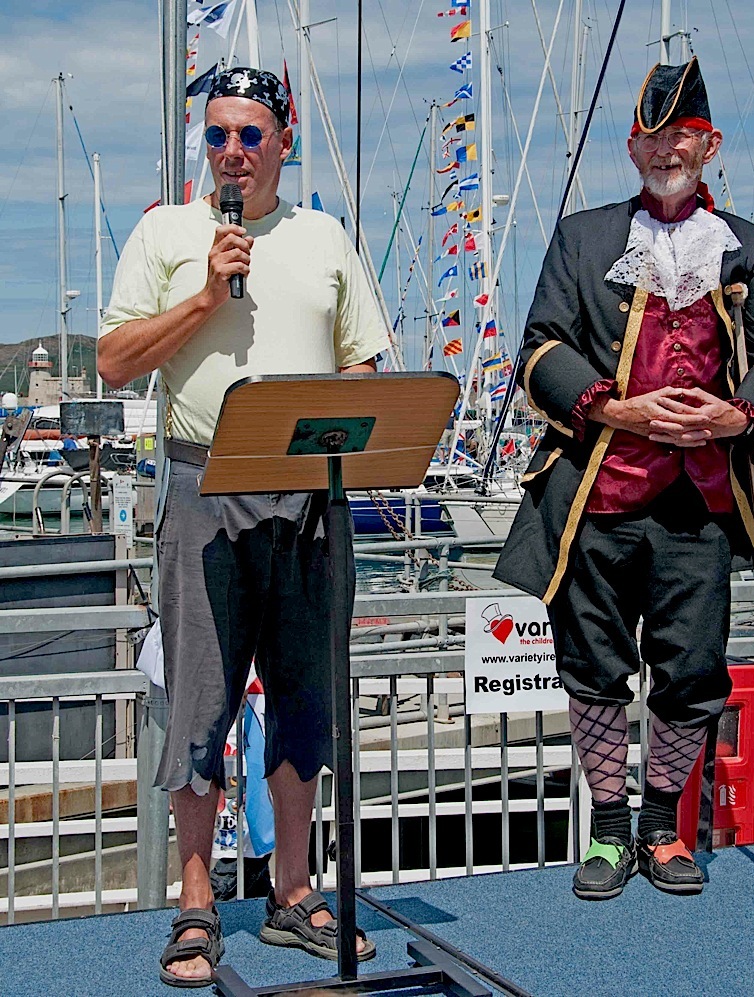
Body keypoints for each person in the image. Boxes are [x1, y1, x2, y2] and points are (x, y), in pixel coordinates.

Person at [99, 67, 389, 986]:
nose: (232, 150)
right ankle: (196, 901)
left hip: (310, 491)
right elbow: (111, 360)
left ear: (284, 141)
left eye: (250, 134)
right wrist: (201, 297)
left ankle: (293, 891)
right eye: (217, 134)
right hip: (202, 486)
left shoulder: (324, 237)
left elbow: (367, 366)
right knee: (199, 703)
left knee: (305, 695)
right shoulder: (165, 233)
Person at [494, 58, 754, 901]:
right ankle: (606, 828)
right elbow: (538, 353)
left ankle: (661, 825)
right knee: (593, 663)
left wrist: (736, 416)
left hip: (701, 501)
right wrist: (613, 409)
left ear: (709, 145)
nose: (667, 148)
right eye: (652, 137)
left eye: (683, 135)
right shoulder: (584, 239)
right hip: (598, 497)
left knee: (693, 665)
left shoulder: (747, 247)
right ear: (633, 149)